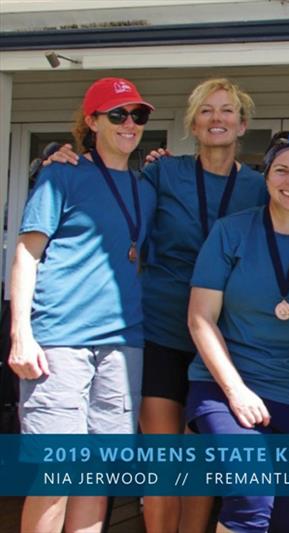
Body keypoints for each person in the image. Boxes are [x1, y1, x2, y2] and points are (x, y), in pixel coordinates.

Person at [42, 78, 268, 532]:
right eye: (206, 110)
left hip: (228, 342)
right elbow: (109, 187)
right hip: (162, 329)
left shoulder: (261, 187)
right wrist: (57, 157)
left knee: (204, 465)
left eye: (227, 110)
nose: (217, 118)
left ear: (242, 124)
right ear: (193, 124)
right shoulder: (163, 172)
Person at [185, 130, 289, 533]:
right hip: (228, 388)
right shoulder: (231, 231)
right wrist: (235, 391)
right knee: (250, 494)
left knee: (285, 518)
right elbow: (200, 318)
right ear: (266, 178)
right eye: (281, 171)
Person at [8, 77, 157, 533]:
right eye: (117, 114)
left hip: (123, 344)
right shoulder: (62, 173)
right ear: (91, 121)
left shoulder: (144, 189)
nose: (129, 124)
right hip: (61, 343)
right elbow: (26, 255)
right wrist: (21, 334)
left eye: (138, 115)